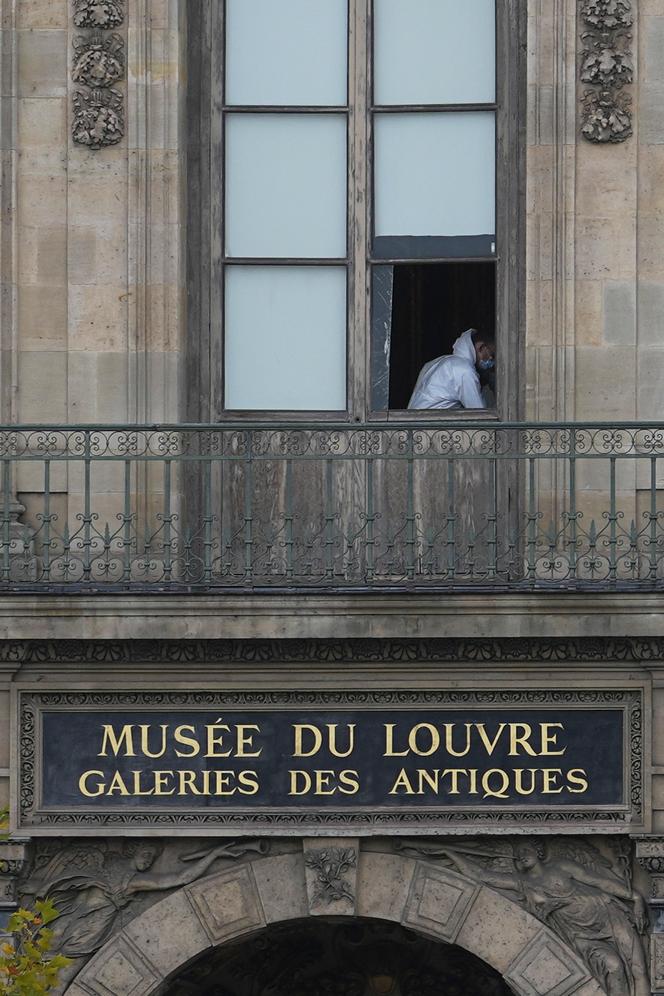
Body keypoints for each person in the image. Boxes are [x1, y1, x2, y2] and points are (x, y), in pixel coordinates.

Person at [408, 328, 496, 410]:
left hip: (414, 422)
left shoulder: (438, 362)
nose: (491, 359)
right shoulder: (464, 370)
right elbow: (480, 413)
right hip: (429, 424)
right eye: (492, 354)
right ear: (481, 347)